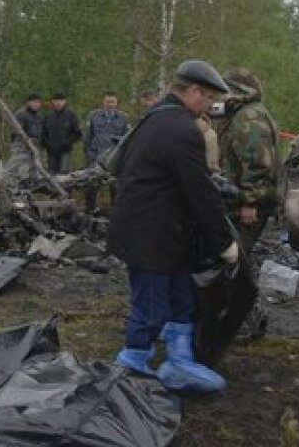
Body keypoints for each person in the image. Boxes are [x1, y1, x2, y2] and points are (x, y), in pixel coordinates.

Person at [108, 59, 239, 393]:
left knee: (182, 296)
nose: (210, 106)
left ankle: (179, 360)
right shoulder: (181, 130)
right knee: (150, 307)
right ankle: (132, 367)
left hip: (164, 230)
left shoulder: (154, 119)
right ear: (193, 92)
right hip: (150, 234)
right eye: (208, 98)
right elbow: (200, 194)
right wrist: (225, 242)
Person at [216, 68, 283, 254]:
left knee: (233, 255)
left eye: (225, 89)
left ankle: (233, 283)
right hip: (241, 196)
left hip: (248, 203)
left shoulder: (248, 117)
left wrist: (250, 202)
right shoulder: (242, 113)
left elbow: (258, 163)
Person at [84, 91, 130, 213]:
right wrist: (89, 154)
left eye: (112, 102)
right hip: (96, 156)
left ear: (116, 103)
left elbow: (126, 138)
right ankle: (90, 210)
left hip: (113, 158)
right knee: (92, 185)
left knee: (115, 186)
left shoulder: (123, 118)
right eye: (107, 101)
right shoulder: (94, 116)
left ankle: (116, 211)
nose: (110, 104)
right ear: (103, 102)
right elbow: (88, 137)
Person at [41, 91, 81, 174]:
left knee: (64, 174)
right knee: (51, 175)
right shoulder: (48, 117)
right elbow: (43, 134)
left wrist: (67, 142)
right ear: (53, 102)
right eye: (56, 101)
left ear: (65, 102)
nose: (58, 103)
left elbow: (77, 134)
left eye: (61, 100)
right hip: (51, 153)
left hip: (65, 152)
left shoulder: (70, 116)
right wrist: (48, 144)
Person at [7, 92, 44, 181]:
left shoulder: (39, 117)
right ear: (28, 102)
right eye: (34, 102)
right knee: (19, 170)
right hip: (21, 147)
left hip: (35, 147)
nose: (36, 104)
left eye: (38, 102)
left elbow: (40, 132)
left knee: (35, 171)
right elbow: (17, 132)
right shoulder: (21, 114)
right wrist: (27, 140)